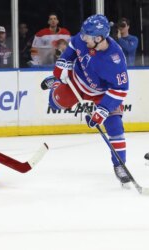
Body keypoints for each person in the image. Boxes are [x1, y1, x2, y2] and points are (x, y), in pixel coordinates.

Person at [40, 14, 130, 185]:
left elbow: (120, 90)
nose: (82, 37)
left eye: (87, 36)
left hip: (102, 93)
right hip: (76, 81)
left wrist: (101, 111)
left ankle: (120, 165)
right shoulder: (82, 39)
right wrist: (62, 66)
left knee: (115, 125)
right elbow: (71, 50)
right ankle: (55, 84)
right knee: (55, 103)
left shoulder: (116, 60)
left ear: (99, 38)